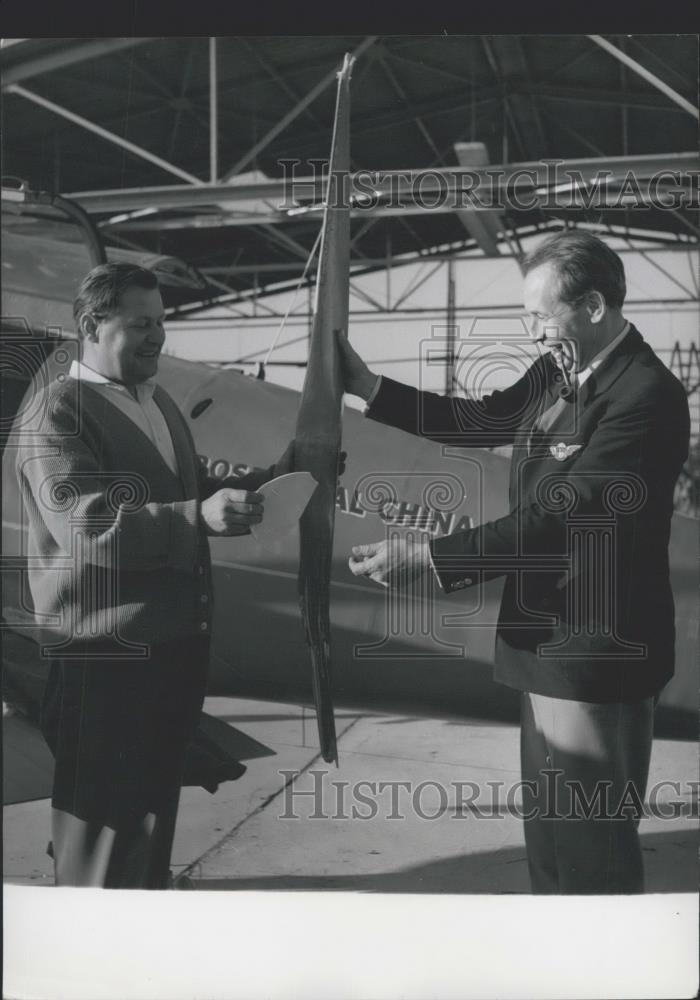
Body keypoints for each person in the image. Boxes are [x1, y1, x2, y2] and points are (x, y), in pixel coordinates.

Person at [338, 231, 690, 894]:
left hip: (594, 655)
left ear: (591, 306)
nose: (532, 334)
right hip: (546, 644)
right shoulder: (564, 368)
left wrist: (429, 557)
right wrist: (368, 389)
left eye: (540, 317)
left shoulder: (645, 395)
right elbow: (483, 419)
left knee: (590, 853)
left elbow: (564, 516)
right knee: (552, 843)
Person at [14, 262, 293, 889]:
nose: (159, 336)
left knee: (147, 825)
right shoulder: (56, 413)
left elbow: (184, 493)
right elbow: (86, 523)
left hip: (169, 650)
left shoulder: (156, 401)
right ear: (91, 324)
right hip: (104, 658)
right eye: (141, 324)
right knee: (103, 836)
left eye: (162, 322)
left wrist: (271, 478)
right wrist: (197, 517)